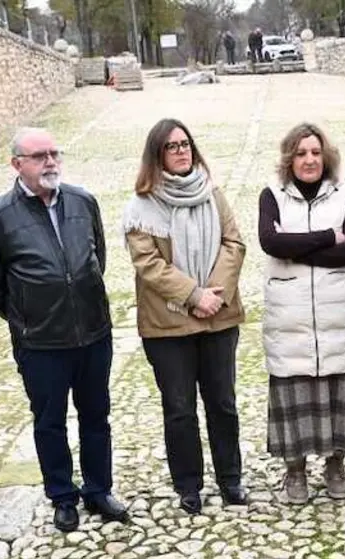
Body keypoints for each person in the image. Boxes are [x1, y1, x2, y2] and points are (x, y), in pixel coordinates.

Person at [0, 128, 127, 533]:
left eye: (54, 154)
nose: (50, 162)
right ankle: (62, 495)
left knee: (97, 415)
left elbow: (98, 257)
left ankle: (99, 489)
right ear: (17, 164)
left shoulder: (82, 201)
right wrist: (27, 316)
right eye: (39, 156)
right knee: (50, 421)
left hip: (93, 332)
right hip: (41, 342)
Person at [123, 118, 250, 515]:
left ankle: (230, 480)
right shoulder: (141, 207)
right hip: (168, 323)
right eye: (171, 146)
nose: (181, 151)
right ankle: (189, 485)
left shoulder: (212, 193)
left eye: (185, 144)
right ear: (157, 155)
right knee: (179, 409)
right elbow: (149, 264)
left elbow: (234, 242)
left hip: (218, 316)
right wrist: (193, 295)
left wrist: (215, 294)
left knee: (223, 403)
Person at [258, 122, 345, 504]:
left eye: (315, 153)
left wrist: (297, 248)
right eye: (302, 153)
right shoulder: (272, 196)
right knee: (294, 392)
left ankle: (336, 464)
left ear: (326, 157)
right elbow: (271, 242)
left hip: (337, 313)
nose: (309, 160)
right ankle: (295, 472)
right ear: (290, 159)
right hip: (290, 318)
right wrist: (326, 237)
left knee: (339, 392)